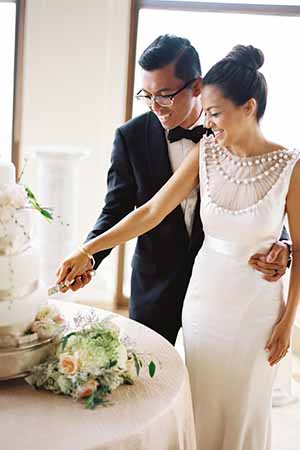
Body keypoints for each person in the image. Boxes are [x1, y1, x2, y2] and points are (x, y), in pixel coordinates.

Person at [57, 44, 300, 449]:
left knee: (244, 409)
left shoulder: (288, 165)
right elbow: (148, 210)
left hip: (255, 308)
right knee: (192, 405)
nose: (209, 123)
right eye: (147, 95)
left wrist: (288, 315)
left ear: (247, 107)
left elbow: (291, 233)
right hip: (198, 299)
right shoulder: (201, 150)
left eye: (215, 113)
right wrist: (88, 251)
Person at [61, 35, 290, 346]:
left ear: (197, 86)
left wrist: (283, 246)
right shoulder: (130, 137)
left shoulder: (230, 129)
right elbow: (120, 209)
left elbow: (264, 193)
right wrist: (89, 255)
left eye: (166, 95)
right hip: (155, 285)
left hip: (224, 290)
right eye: (147, 95)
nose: (156, 106)